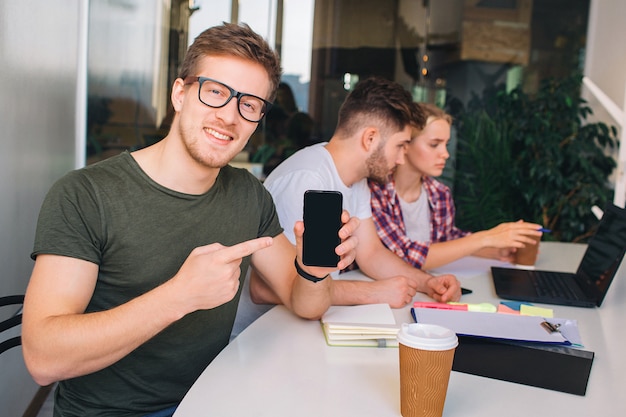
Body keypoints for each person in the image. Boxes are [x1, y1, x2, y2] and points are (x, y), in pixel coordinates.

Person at [21, 22, 358, 417]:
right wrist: (179, 295)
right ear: (180, 94)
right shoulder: (85, 195)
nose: (230, 116)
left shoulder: (249, 196)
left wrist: (314, 270)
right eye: (215, 92)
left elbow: (304, 303)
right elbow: (43, 358)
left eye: (248, 104)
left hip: (211, 401)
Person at [249, 77, 462, 311]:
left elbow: (371, 253)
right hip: (267, 332)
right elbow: (265, 289)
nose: (402, 159)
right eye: (400, 145)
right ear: (370, 138)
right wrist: (373, 293)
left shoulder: (356, 177)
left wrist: (427, 282)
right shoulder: (307, 180)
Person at [369, 102, 542, 270]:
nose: (445, 154)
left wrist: (497, 249)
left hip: (426, 285)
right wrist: (487, 238)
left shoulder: (439, 193)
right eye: (434, 144)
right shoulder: (375, 192)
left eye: (446, 144)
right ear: (405, 144)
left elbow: (448, 240)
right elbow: (404, 255)